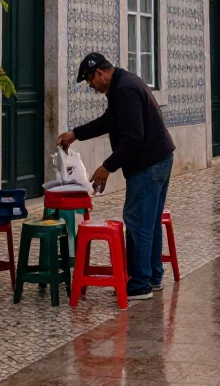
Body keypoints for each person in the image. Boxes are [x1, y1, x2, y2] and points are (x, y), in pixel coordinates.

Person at [58, 52, 175, 301]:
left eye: (90, 81)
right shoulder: (124, 82)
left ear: (99, 73)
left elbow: (134, 138)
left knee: (137, 222)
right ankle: (152, 277)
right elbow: (109, 121)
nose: (91, 86)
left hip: (148, 163)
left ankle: (140, 284)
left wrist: (106, 167)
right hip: (160, 158)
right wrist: (75, 134)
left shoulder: (124, 90)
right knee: (150, 221)